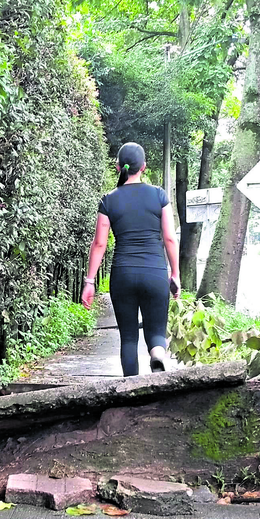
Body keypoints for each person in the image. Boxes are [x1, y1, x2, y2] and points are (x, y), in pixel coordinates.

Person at [82, 142, 181, 376]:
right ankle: (157, 354)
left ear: (118, 167)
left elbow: (99, 244)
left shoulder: (109, 200)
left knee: (128, 337)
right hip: (154, 272)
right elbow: (170, 238)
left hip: (123, 274)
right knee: (156, 332)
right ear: (143, 167)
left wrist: (90, 281)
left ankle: (130, 388)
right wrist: (175, 274)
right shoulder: (159, 195)